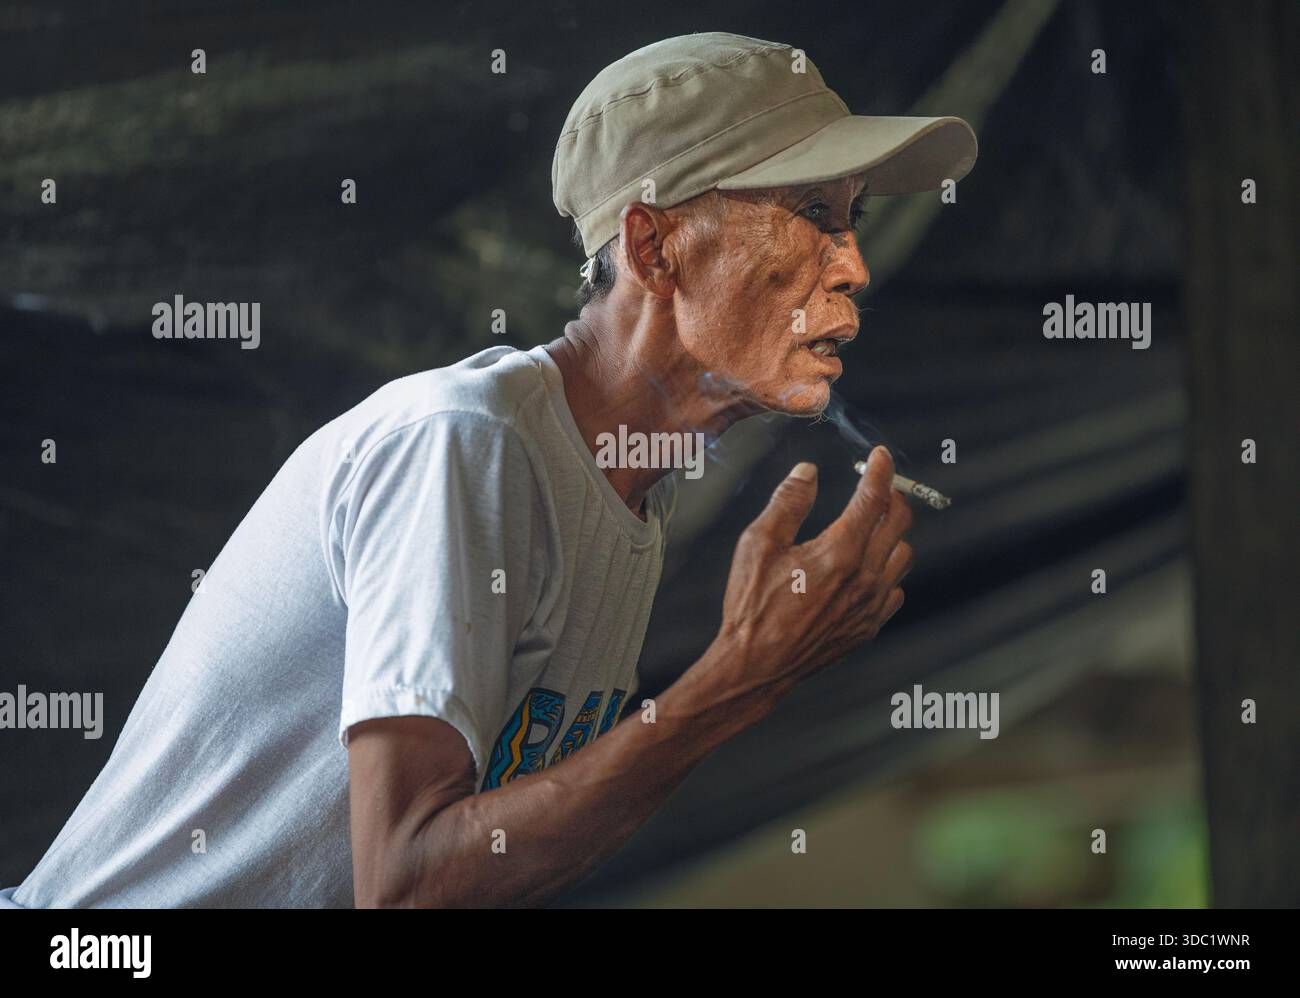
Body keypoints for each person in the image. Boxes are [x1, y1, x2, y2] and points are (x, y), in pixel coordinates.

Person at [2, 31, 975, 908]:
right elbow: (409, 879)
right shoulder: (467, 444)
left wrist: (734, 686)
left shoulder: (633, 493)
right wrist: (736, 679)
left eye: (848, 218)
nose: (852, 264)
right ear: (654, 244)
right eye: (811, 212)